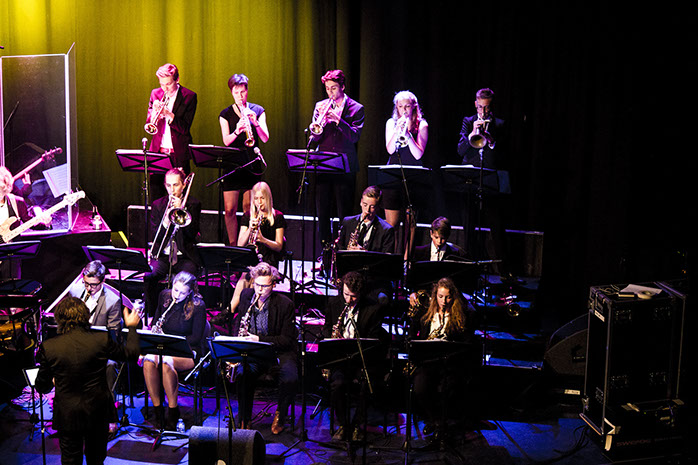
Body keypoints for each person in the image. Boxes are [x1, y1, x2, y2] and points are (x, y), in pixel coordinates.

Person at [35, 297, 141, 465]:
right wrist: (132, 327)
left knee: (70, 460)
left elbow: (42, 386)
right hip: (97, 410)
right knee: (96, 459)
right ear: (86, 316)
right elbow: (132, 355)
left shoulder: (50, 347)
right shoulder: (101, 339)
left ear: (59, 319)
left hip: (68, 414)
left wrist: (55, 381)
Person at [226, 262, 297, 434]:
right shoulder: (246, 295)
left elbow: (286, 340)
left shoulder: (285, 304)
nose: (260, 290)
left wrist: (259, 339)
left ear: (273, 285)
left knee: (290, 378)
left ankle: (281, 414)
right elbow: (239, 322)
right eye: (257, 285)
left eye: (265, 286)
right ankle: (245, 417)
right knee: (242, 374)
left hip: (278, 352)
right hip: (253, 352)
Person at [409, 277, 479, 445]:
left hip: (450, 362)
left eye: (448, 297)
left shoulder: (460, 315)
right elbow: (412, 334)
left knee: (449, 389)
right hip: (428, 361)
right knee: (419, 389)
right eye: (440, 297)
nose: (444, 301)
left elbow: (467, 343)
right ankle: (435, 421)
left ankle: (441, 424)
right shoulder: (427, 312)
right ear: (435, 296)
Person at [320, 271, 387, 441]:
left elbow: (373, 341)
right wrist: (331, 338)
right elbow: (326, 328)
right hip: (340, 358)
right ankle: (343, 424)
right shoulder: (334, 303)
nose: (348, 300)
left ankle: (358, 424)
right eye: (346, 294)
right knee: (337, 385)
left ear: (361, 293)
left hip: (362, 359)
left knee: (367, 384)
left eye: (353, 296)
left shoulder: (372, 308)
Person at [142, 271, 207, 431]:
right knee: (148, 360)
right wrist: (155, 331)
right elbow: (155, 321)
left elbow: (196, 338)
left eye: (182, 293)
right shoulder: (165, 296)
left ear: (190, 292)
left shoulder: (198, 306)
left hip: (188, 350)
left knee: (166, 362)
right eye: (175, 290)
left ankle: (173, 411)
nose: (177, 295)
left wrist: (171, 342)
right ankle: (158, 410)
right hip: (165, 347)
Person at [456, 88, 510, 275]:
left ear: (491, 106)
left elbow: (503, 156)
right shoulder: (468, 121)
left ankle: (504, 272)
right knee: (469, 227)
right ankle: (469, 270)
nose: (483, 111)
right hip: (469, 181)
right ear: (475, 104)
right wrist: (473, 133)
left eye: (486, 108)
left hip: (490, 181)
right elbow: (461, 150)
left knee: (497, 227)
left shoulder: (500, 124)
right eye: (480, 107)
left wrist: (491, 141)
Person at [308, 69, 364, 249]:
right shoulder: (320, 106)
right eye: (327, 88)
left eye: (333, 88)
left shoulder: (356, 108)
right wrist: (320, 125)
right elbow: (315, 137)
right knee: (322, 213)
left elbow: (355, 136)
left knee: (344, 214)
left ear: (343, 87)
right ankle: (324, 254)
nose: (330, 92)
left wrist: (339, 120)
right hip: (324, 165)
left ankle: (342, 252)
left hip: (344, 167)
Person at [219, 73, 270, 246]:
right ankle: (233, 246)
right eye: (236, 92)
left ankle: (248, 245)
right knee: (229, 209)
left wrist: (255, 123)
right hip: (232, 163)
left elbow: (265, 138)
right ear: (231, 92)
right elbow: (226, 141)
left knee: (249, 209)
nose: (240, 96)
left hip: (251, 163)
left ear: (247, 91)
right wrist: (237, 130)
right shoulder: (225, 114)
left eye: (243, 92)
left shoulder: (258, 110)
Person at [144, 167, 202, 314]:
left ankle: (185, 314)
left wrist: (181, 211)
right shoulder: (158, 205)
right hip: (163, 256)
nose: (172, 190)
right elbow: (154, 236)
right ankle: (152, 314)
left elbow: (192, 234)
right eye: (168, 185)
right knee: (149, 275)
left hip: (185, 256)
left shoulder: (193, 204)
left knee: (187, 278)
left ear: (183, 185)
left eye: (176, 185)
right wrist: (166, 220)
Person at [225, 181, 286, 321]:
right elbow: (240, 243)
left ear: (268, 198)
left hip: (269, 259)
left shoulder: (277, 217)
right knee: (244, 278)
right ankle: (230, 311)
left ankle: (246, 316)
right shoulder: (248, 216)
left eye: (262, 198)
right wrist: (250, 229)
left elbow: (279, 246)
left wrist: (263, 239)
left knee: (255, 281)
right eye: (256, 198)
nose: (259, 202)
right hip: (253, 258)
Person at [145, 63, 197, 199]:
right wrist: (154, 113)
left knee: (178, 198)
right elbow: (149, 123)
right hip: (158, 153)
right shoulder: (155, 93)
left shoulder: (189, 96)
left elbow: (185, 128)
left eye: (168, 84)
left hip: (178, 155)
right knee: (156, 197)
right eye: (162, 84)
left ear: (177, 80)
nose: (165, 88)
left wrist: (169, 114)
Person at [383, 90, 429, 230]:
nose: (404, 110)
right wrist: (397, 131)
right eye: (400, 106)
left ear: (414, 107)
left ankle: (408, 247)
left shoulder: (422, 125)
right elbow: (390, 150)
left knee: (411, 224)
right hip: (393, 175)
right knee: (391, 225)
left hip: (413, 176)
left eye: (407, 106)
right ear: (396, 107)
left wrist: (408, 135)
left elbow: (418, 155)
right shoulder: (391, 123)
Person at [0, 166, 50, 278]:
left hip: (10, 259)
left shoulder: (16, 202)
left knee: (12, 285)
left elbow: (29, 222)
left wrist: (46, 223)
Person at [337, 185, 394, 254]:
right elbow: (339, 248)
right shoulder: (347, 222)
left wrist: (364, 253)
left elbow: (386, 258)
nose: (367, 210)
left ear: (378, 207)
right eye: (365, 205)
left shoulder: (386, 230)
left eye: (372, 207)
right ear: (361, 202)